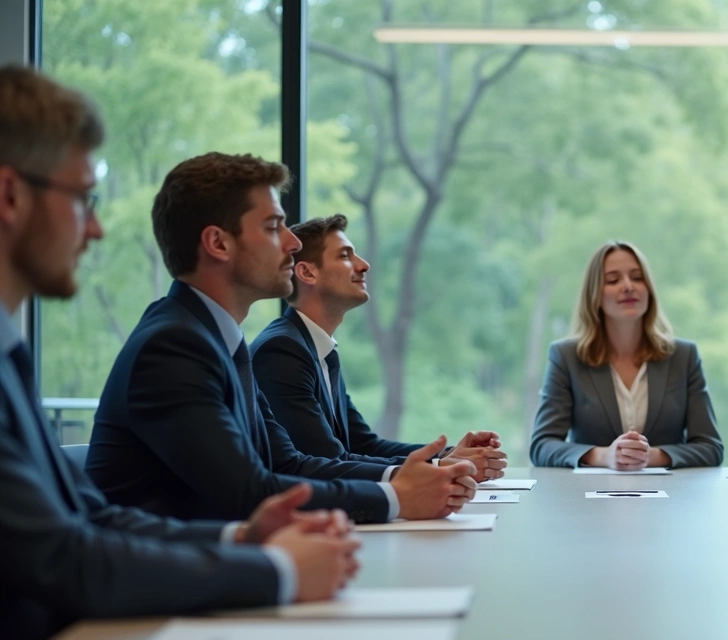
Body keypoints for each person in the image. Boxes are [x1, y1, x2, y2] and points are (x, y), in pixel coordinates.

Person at [0, 65, 360, 640]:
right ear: (12, 195)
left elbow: (92, 519)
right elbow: (68, 559)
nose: (95, 229)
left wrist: (241, 540)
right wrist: (276, 569)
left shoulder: (9, 354)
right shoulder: (174, 343)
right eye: (82, 198)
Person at [86, 151, 477, 525]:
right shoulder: (173, 347)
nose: (292, 242)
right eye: (273, 227)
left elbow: (287, 464)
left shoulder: (220, 340)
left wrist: (407, 480)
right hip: (170, 580)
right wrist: (396, 497)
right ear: (218, 243)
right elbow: (248, 492)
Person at [250, 214, 507, 481]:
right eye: (345, 256)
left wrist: (449, 455)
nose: (364, 265)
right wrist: (439, 468)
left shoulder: (317, 349)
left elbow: (364, 445)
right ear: (306, 272)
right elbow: (328, 460)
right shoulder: (282, 351)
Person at [530, 241, 724, 469]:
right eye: (613, 280)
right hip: (589, 499)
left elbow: (711, 447)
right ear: (594, 294)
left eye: (637, 277)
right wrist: (603, 456)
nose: (628, 286)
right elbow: (542, 446)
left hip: (672, 499)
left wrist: (650, 456)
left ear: (649, 289)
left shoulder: (684, 356)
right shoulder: (566, 357)